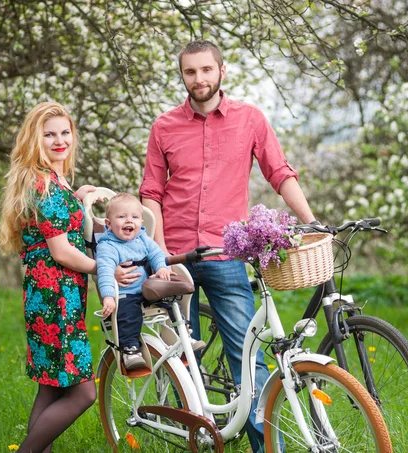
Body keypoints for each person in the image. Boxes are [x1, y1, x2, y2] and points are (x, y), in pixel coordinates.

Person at [137, 40, 317, 452]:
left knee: (249, 359)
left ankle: (265, 447)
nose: (198, 79)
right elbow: (152, 193)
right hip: (175, 258)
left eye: (206, 70)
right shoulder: (163, 127)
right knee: (184, 364)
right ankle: (196, 440)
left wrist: (311, 222)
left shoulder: (250, 119)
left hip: (224, 254)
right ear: (181, 75)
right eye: (189, 72)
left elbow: (280, 173)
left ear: (222, 71)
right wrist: (158, 252)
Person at [0, 102, 119, 453]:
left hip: (51, 291)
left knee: (51, 386)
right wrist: (104, 268)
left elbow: (66, 229)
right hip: (55, 296)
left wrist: (81, 198)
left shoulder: (55, 180)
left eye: (65, 132)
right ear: (35, 139)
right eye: (49, 134)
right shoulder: (44, 183)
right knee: (83, 392)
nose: (59, 140)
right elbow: (62, 251)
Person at [96, 192, 206, 370]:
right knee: (128, 315)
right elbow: (106, 272)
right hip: (127, 292)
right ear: (108, 224)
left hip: (148, 290)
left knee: (172, 304)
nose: (129, 221)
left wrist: (161, 267)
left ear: (141, 221)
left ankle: (183, 337)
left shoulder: (143, 239)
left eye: (135, 217)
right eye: (122, 217)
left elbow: (156, 254)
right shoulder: (108, 246)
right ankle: (130, 350)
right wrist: (108, 296)